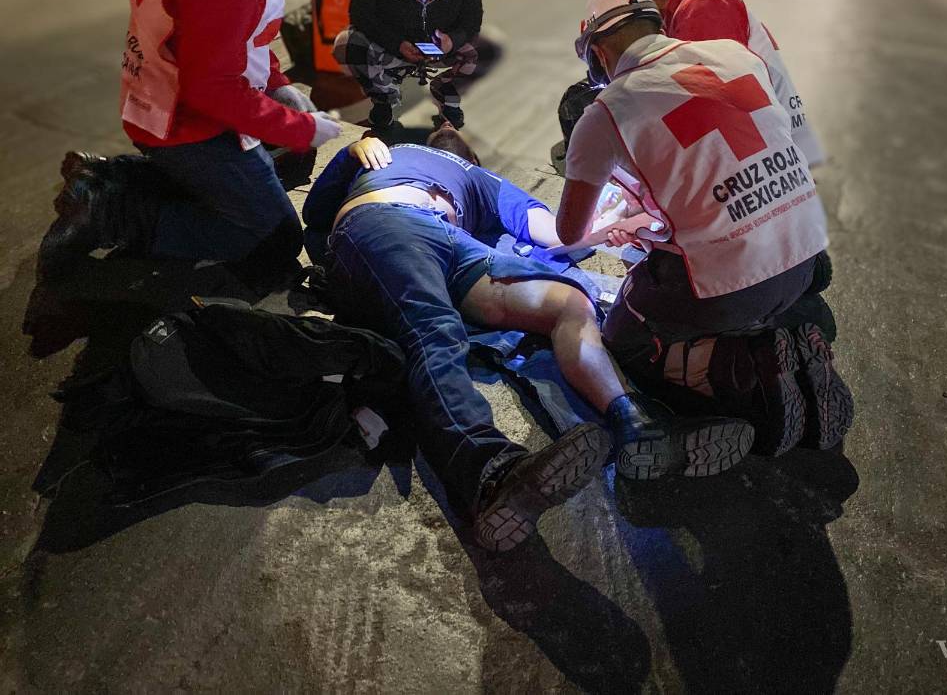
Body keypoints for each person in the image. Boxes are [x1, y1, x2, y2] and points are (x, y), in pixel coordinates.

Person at [302, 126, 754, 552]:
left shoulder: (469, 178)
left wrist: (620, 218)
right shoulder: (404, 156)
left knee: (566, 303)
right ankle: (491, 475)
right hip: (384, 221)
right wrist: (350, 157)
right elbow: (319, 219)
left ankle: (634, 425)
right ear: (471, 157)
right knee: (435, 332)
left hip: (445, 240)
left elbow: (558, 234)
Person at [40, 0, 350, 279]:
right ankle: (111, 213)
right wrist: (298, 127)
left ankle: (110, 181)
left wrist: (280, 93)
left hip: (169, 95)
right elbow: (212, 87)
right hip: (182, 121)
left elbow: (248, 39)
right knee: (273, 240)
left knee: (291, 147)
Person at [557, 0, 853, 456]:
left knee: (620, 341)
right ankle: (779, 339)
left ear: (597, 52)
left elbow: (569, 233)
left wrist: (626, 209)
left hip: (734, 287)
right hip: (804, 261)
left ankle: (747, 371)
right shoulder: (734, 56)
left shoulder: (608, 110)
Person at [557, 0, 824, 168]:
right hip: (767, 153)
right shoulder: (687, 17)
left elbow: (705, 111)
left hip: (764, 157)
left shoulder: (699, 9)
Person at [334, 0, 483, 133]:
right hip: (392, 47)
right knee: (346, 43)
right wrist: (397, 44)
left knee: (486, 46)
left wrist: (452, 41)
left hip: (439, 49)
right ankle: (385, 97)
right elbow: (360, 15)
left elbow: (473, 19)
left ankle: (447, 93)